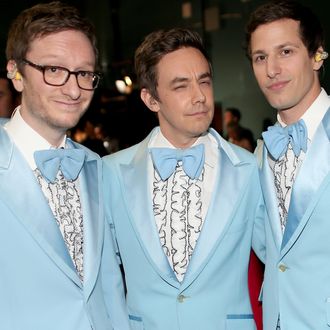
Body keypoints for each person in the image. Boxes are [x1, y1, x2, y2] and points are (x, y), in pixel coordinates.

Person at [103, 27, 264, 329]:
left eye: (204, 81)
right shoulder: (110, 172)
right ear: (151, 99)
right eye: (181, 86)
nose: (200, 96)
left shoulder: (249, 168)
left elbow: (283, 257)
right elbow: (104, 277)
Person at [0, 2, 128, 330]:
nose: (73, 90)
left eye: (84, 73)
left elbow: (109, 286)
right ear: (16, 73)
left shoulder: (96, 168)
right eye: (54, 70)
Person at [245, 0, 330, 328]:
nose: (271, 70)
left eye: (286, 52)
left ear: (316, 55)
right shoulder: (258, 155)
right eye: (260, 57)